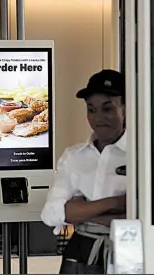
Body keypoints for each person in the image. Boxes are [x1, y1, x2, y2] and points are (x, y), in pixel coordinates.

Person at [41, 69, 127, 274]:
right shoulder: (73, 156)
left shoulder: (142, 155)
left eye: (107, 109)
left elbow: (144, 215)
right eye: (91, 109)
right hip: (81, 253)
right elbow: (51, 213)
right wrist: (114, 203)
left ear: (126, 107)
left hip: (129, 252)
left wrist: (81, 212)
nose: (98, 118)